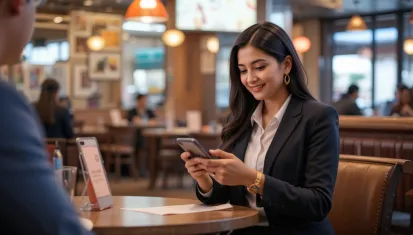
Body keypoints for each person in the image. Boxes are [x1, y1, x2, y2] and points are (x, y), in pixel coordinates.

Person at [181, 22, 339, 234]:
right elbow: (223, 196)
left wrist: (252, 179)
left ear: (287, 65)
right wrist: (204, 178)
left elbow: (318, 203)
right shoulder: (239, 119)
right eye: (243, 70)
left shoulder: (318, 117)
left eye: (259, 67)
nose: (249, 78)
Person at [0, 0, 92, 234]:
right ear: (18, 4)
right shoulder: (6, 105)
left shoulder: (25, 106)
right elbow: (57, 227)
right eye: (37, 7)